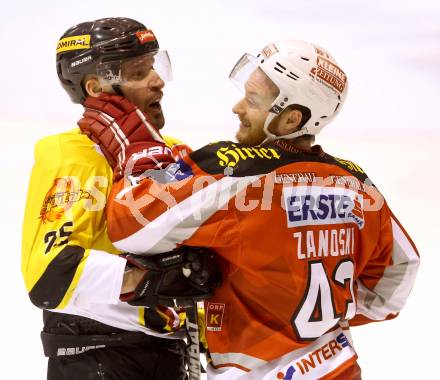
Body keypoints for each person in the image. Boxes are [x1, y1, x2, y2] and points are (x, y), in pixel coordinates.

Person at [81, 40, 420, 379]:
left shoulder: (236, 173)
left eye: (253, 101)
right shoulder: (357, 183)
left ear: (291, 119)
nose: (238, 107)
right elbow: (398, 274)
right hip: (338, 368)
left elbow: (130, 224)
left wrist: (139, 153)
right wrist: (320, 311)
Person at [21, 17, 218, 380]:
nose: (157, 80)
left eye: (155, 65)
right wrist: (154, 280)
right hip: (97, 358)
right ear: (97, 88)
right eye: (139, 71)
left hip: (164, 354)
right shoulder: (70, 154)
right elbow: (49, 277)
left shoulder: (173, 155)